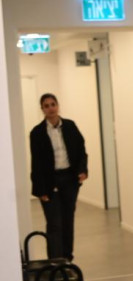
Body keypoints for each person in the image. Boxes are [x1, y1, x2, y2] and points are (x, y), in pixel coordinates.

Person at [30, 93, 88, 261]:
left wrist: (82, 170)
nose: (51, 108)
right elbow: (36, 163)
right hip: (50, 182)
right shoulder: (37, 132)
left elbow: (81, 151)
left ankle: (67, 259)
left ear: (58, 105)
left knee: (68, 221)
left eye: (53, 104)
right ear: (42, 109)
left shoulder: (70, 126)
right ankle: (55, 262)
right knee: (54, 223)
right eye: (46, 106)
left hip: (69, 180)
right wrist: (41, 190)